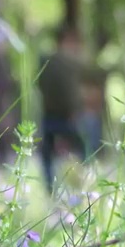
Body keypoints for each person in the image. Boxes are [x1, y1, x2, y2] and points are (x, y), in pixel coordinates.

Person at [36, 25, 88, 192]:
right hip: (67, 115)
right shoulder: (70, 63)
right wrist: (74, 109)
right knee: (83, 148)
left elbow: (40, 85)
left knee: (48, 154)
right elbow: (70, 90)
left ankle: (50, 187)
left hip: (49, 114)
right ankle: (84, 183)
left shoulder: (45, 61)